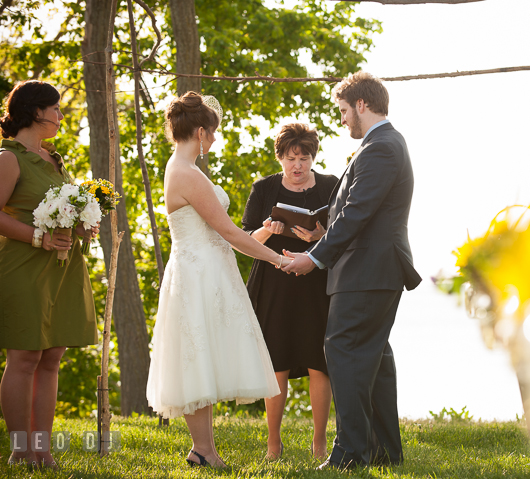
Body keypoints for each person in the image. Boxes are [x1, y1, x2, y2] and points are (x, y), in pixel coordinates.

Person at [282, 71, 422, 469]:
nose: (341, 119)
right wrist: (318, 223)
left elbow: (358, 213)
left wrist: (315, 257)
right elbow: (350, 208)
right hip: (370, 269)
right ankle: (383, 451)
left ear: (362, 104)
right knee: (373, 362)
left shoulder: (381, 147)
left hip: (367, 269)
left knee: (343, 353)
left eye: (343, 111)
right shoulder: (382, 145)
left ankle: (350, 453)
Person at [145, 92, 282, 469]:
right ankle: (203, 449)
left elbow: (227, 235)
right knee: (195, 356)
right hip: (198, 272)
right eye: (214, 133)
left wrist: (263, 237)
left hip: (204, 268)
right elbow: (230, 233)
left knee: (201, 356)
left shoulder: (183, 169)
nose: (215, 140)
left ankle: (203, 450)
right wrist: (274, 259)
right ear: (202, 132)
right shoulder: (187, 174)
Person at [0, 80, 98, 469]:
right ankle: (20, 449)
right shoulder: (8, 159)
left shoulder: (54, 159)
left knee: (51, 357)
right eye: (56, 108)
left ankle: (42, 449)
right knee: (24, 356)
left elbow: (65, 208)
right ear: (35, 111)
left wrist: (81, 225)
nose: (61, 116)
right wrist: (38, 238)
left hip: (63, 267)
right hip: (24, 266)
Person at [241, 123, 338, 460]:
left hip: (317, 286)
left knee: (319, 364)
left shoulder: (330, 186)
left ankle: (320, 443)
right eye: (291, 158)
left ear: (313, 158)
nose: (298, 165)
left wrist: (320, 235)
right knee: (276, 362)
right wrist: (268, 230)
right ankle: (272, 444)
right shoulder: (264, 188)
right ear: (280, 157)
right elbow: (246, 241)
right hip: (274, 286)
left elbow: (343, 234)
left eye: (305, 158)